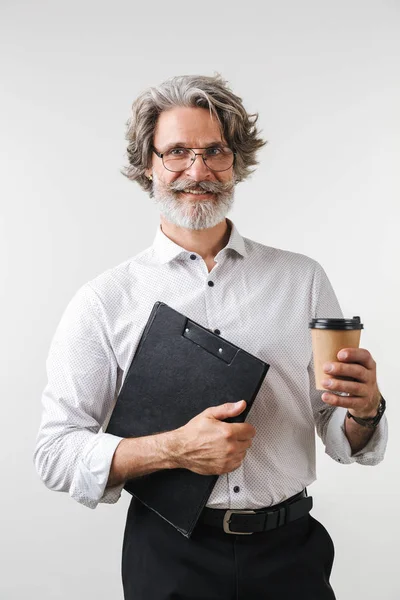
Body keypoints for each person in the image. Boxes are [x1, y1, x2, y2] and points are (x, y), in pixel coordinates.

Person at [33, 74, 388, 600]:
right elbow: (56, 452)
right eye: (176, 151)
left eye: (215, 151)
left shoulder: (302, 279)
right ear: (148, 164)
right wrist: (172, 449)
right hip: (169, 555)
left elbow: (335, 429)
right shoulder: (104, 300)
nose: (197, 171)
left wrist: (364, 411)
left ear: (236, 161)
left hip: (292, 554)